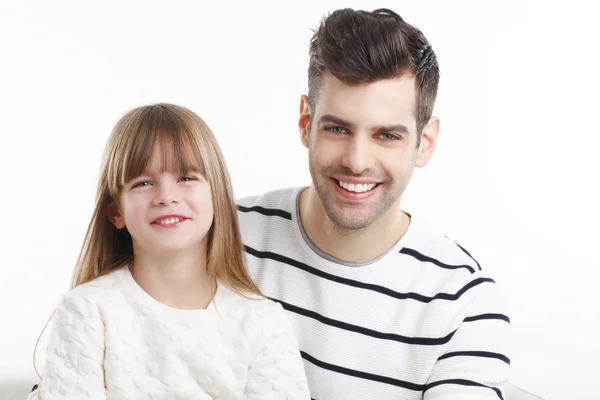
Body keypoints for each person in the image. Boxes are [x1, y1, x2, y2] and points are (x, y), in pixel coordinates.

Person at [30, 7, 510, 400]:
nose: (357, 160)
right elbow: (97, 346)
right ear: (306, 121)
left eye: (388, 135)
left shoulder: (464, 303)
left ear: (425, 142)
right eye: (337, 128)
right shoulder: (211, 229)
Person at [30, 104, 310, 399]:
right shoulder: (87, 311)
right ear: (115, 212)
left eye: (186, 178)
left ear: (217, 195)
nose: (166, 196)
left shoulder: (261, 321)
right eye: (143, 183)